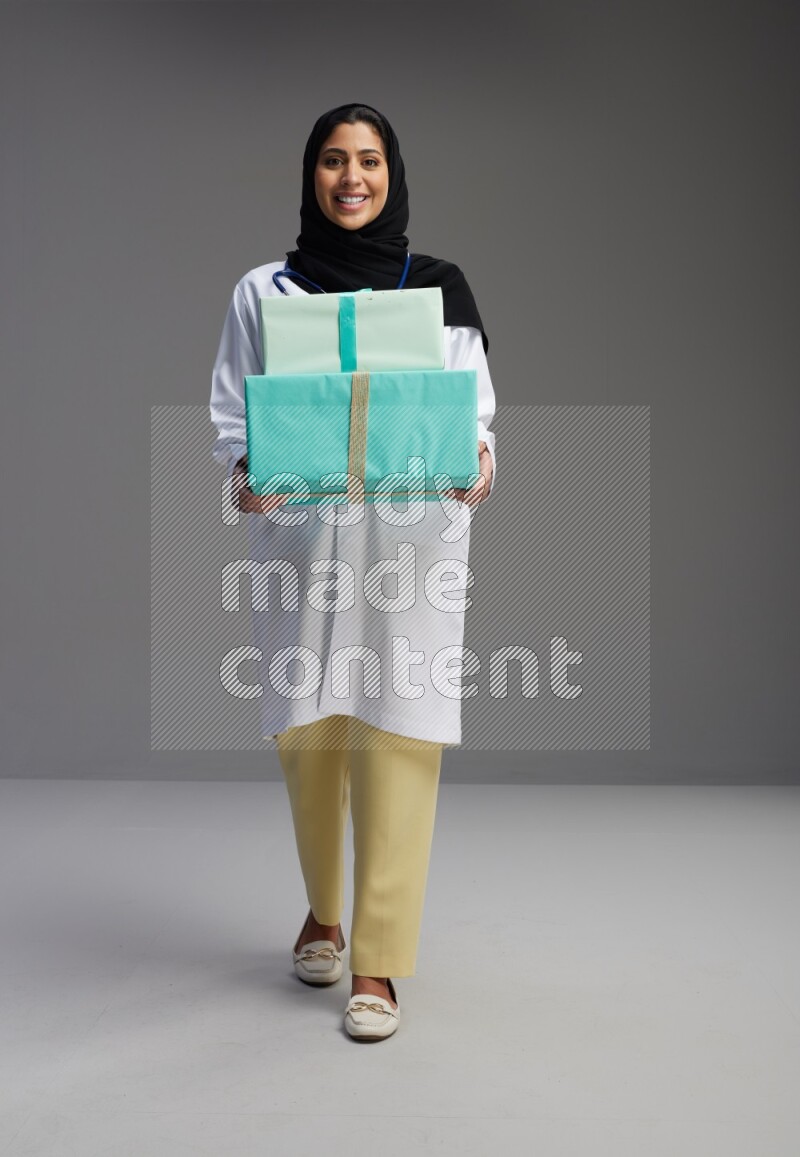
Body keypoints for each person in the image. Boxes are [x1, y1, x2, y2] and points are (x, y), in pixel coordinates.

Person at [209, 103, 497, 1041]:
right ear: (311, 175)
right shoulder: (266, 292)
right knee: (310, 740)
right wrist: (247, 480)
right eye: (333, 161)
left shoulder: (441, 289)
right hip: (305, 551)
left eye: (368, 161)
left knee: (399, 742)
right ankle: (324, 910)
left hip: (410, 556)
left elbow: (477, 420)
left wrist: (479, 466)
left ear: (393, 172)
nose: (351, 179)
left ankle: (377, 960)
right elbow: (230, 418)